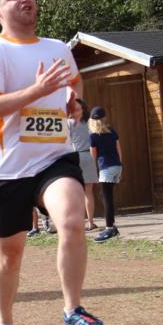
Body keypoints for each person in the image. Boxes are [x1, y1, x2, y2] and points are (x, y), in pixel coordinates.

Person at [0, 0, 111, 325]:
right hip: (8, 170)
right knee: (9, 257)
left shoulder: (57, 48)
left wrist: (76, 104)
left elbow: (75, 84)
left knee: (70, 222)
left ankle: (73, 312)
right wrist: (37, 90)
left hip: (54, 158)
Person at [88, 107, 122, 242]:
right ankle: (112, 225)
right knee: (104, 196)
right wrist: (120, 166)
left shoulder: (93, 136)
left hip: (105, 168)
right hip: (117, 166)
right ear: (104, 119)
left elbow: (93, 156)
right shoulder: (112, 131)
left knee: (107, 199)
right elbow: (119, 150)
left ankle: (109, 228)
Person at [68, 98, 98, 231]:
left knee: (75, 193)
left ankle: (77, 222)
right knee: (88, 192)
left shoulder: (68, 122)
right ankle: (90, 222)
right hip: (90, 156)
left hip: (76, 156)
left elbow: (66, 142)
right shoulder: (90, 122)